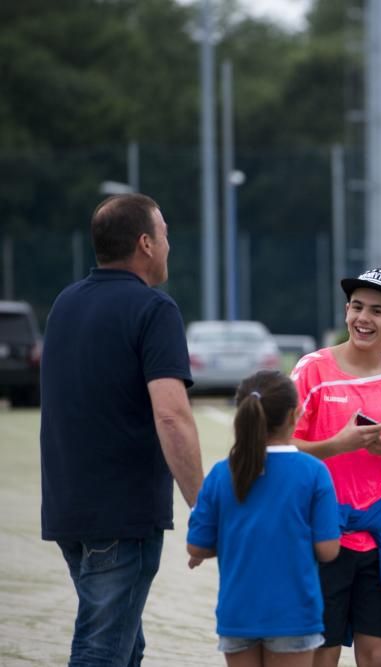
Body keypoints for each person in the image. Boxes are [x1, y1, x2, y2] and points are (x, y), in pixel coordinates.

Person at [40, 193, 204, 666]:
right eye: (166, 236)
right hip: (122, 514)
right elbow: (172, 415)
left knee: (124, 644)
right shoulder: (155, 310)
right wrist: (204, 504)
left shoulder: (65, 303)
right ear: (146, 243)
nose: (170, 246)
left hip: (69, 508)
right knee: (102, 649)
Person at [291, 267, 381, 667]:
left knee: (375, 653)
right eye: (356, 307)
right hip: (321, 535)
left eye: (377, 311)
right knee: (323, 650)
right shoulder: (312, 369)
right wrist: (337, 445)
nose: (363, 318)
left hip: (379, 537)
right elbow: (276, 449)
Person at [187, 370, 342, 667]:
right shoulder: (313, 472)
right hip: (293, 613)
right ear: (294, 415)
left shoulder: (222, 472)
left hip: (237, 612)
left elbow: (197, 547)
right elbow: (328, 549)